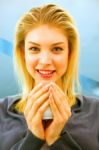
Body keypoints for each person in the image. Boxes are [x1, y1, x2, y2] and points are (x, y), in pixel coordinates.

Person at [0, 3, 99, 150]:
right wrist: (33, 138)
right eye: (34, 48)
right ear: (23, 53)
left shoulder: (96, 112)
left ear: (69, 54)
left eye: (57, 49)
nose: (45, 61)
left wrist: (56, 138)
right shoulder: (1, 112)